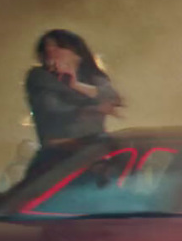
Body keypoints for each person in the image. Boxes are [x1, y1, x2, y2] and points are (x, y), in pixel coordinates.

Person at [24, 29, 124, 178]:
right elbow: (52, 110)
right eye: (46, 47)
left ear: (76, 53)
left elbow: (113, 97)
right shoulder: (39, 77)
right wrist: (94, 109)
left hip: (94, 153)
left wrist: (75, 85)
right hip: (57, 155)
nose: (50, 50)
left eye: (57, 46)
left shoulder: (92, 76)